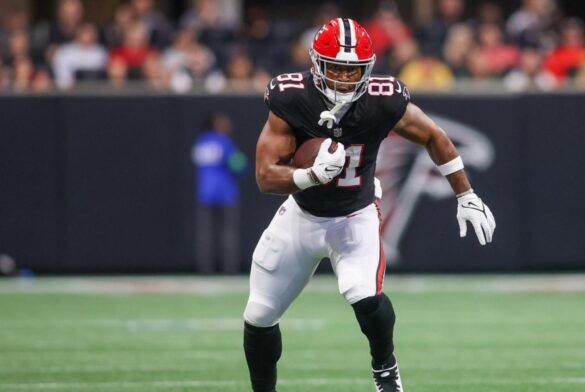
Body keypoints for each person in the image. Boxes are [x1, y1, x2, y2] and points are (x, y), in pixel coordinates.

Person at [244, 18, 496, 392]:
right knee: (259, 315)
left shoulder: (383, 97)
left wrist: (466, 194)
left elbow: (433, 136)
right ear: (316, 65)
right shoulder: (291, 97)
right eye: (337, 69)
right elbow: (266, 177)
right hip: (301, 216)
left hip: (354, 215)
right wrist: (311, 176)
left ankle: (385, 368)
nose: (346, 79)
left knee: (363, 293)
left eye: (354, 71)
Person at [192, 112, 247, 274]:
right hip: (226, 193)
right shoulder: (224, 142)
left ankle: (205, 269)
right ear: (216, 124)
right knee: (229, 233)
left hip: (205, 193)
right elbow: (239, 166)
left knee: (205, 234)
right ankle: (230, 269)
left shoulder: (200, 142)